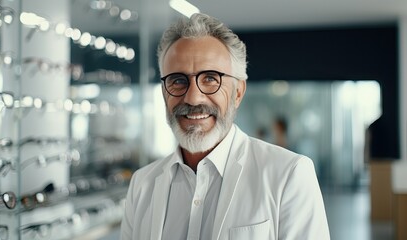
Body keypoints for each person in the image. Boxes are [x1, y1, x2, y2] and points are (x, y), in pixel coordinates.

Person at [121, 13, 330, 240]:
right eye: (178, 80)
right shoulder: (142, 184)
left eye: (210, 78)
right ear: (164, 93)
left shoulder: (289, 175)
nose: (193, 98)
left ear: (238, 92)